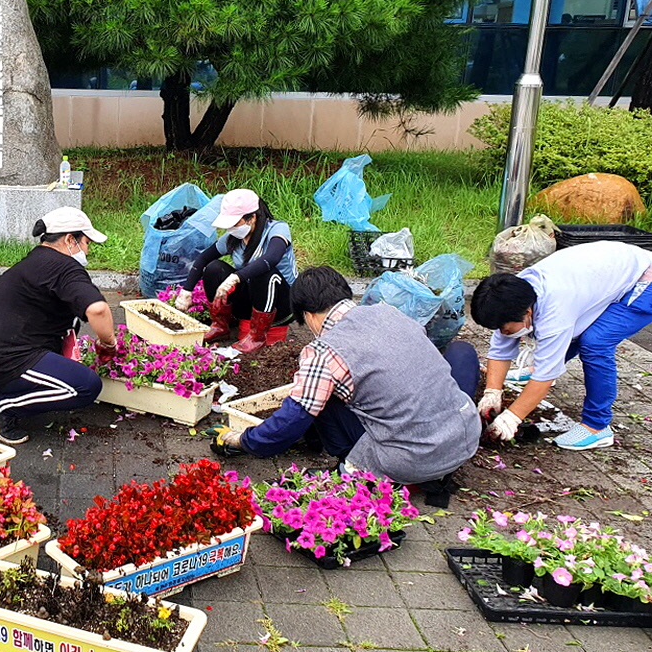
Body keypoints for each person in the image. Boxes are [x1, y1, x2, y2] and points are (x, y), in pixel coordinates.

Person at [214, 266, 481, 508]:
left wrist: (244, 439)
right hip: (462, 440)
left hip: (407, 460)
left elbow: (291, 421)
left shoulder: (323, 351)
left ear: (307, 315)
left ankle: (353, 467)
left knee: (319, 395)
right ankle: (433, 472)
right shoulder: (389, 313)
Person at [471, 240, 652, 450]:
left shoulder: (555, 311)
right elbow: (500, 349)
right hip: (606, 273)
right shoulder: (510, 295)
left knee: (595, 342)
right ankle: (534, 368)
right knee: (571, 334)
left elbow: (545, 376)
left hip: (643, 280)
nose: (504, 334)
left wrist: (511, 417)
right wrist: (492, 392)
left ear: (528, 312)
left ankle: (597, 426)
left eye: (507, 329)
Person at [0, 207, 119, 445]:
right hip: (4, 361)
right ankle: (3, 406)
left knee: (71, 325)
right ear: (70, 240)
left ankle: (14, 390)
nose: (87, 251)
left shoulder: (38, 260)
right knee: (86, 386)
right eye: (86, 242)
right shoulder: (64, 267)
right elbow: (98, 309)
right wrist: (109, 344)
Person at [174, 189, 297, 353]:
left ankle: (257, 337)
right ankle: (220, 326)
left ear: (252, 218)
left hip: (281, 305)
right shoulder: (233, 238)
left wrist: (235, 277)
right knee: (214, 268)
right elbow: (204, 259)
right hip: (250, 303)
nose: (231, 228)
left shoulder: (277, 230)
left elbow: (271, 259)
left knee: (263, 271)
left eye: (235, 223)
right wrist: (187, 290)